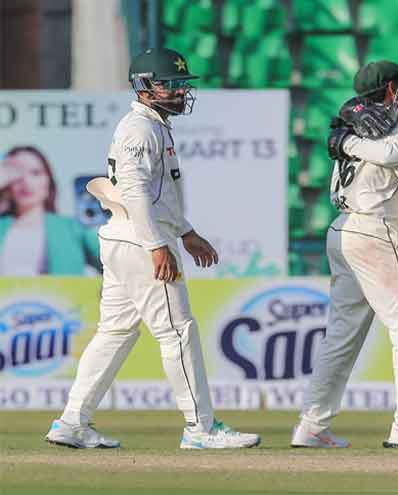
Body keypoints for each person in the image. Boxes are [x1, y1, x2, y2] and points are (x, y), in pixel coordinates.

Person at [45, 48, 260, 449]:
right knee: (177, 331)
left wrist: (186, 232)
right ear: (144, 87)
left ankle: (72, 422)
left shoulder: (154, 125)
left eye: (181, 84)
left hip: (127, 237)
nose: (180, 92)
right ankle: (200, 428)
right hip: (139, 241)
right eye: (170, 85)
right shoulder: (140, 129)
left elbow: (159, 195)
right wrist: (157, 245)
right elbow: (134, 191)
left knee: (114, 332)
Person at [291, 62, 398, 449]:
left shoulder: (359, 122)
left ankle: (312, 425)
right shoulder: (393, 126)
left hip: (343, 228)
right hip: (375, 231)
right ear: (390, 89)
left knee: (342, 336)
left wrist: (344, 138)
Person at [0, 146, 100, 275]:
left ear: (48, 180)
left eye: (35, 173)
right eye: (16, 175)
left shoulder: (73, 228)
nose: (26, 182)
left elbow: (117, 267)